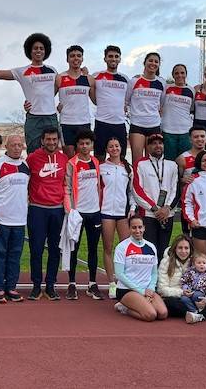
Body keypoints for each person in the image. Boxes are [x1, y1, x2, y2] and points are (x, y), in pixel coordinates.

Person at [0, 34, 59, 153]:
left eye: (41, 48)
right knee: (33, 150)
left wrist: (46, 99)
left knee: (54, 149)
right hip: (34, 117)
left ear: (45, 51)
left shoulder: (52, 70)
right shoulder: (22, 71)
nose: (38, 50)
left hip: (51, 116)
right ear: (30, 51)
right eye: (35, 48)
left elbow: (57, 87)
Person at [0, 135, 30, 303]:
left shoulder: (25, 166)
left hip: (19, 221)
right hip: (1, 220)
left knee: (14, 256)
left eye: (19, 145)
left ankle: (11, 286)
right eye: (13, 145)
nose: (17, 148)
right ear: (6, 146)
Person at [25, 127, 69, 300]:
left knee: (54, 249)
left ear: (58, 140)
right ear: (42, 140)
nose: (51, 142)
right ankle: (36, 286)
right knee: (36, 249)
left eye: (54, 139)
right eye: (48, 139)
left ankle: (51, 285)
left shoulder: (64, 159)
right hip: (37, 209)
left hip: (57, 210)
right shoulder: (32, 158)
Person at [63, 129, 104, 300]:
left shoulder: (95, 162)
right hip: (77, 213)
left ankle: (92, 284)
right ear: (77, 145)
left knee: (93, 249)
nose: (85, 146)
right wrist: (70, 210)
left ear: (92, 145)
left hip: (94, 212)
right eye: (81, 143)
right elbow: (66, 188)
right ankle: (71, 283)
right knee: (74, 248)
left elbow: (100, 186)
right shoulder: (72, 163)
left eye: (87, 143)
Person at [132, 134, 178, 262]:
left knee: (164, 250)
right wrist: (155, 208)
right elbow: (137, 189)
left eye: (160, 143)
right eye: (153, 143)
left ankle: (161, 280)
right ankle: (149, 280)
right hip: (149, 214)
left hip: (167, 214)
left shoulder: (172, 165)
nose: (157, 146)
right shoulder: (140, 164)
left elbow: (175, 189)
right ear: (148, 146)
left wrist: (167, 208)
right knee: (149, 249)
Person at [113, 216, 167, 322]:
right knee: (150, 315)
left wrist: (151, 289)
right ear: (129, 229)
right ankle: (124, 308)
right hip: (127, 290)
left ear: (144, 228)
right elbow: (119, 274)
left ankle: (140, 304)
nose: (137, 230)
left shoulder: (151, 247)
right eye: (134, 227)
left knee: (162, 313)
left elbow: (154, 273)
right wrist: (141, 291)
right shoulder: (122, 247)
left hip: (147, 290)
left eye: (140, 227)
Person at [99, 137, 133, 299]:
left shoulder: (128, 168)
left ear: (121, 148)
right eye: (111, 146)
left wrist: (132, 208)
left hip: (122, 213)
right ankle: (112, 283)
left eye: (117, 146)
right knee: (108, 248)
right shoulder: (101, 167)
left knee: (125, 249)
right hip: (106, 212)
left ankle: (124, 282)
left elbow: (132, 192)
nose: (114, 149)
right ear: (107, 150)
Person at [176, 125, 206, 236]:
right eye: (196, 137)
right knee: (190, 240)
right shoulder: (182, 159)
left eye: (202, 136)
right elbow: (176, 181)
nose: (200, 139)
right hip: (191, 207)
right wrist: (182, 180)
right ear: (190, 139)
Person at [125, 52, 166, 164]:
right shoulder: (134, 81)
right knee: (137, 162)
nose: (153, 63)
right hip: (137, 125)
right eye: (150, 60)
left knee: (153, 161)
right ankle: (136, 182)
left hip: (154, 125)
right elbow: (126, 101)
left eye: (156, 61)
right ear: (145, 63)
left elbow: (161, 103)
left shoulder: (161, 83)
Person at [90, 45, 129, 159]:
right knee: (99, 157)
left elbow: (128, 99)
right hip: (102, 123)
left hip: (119, 123)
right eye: (110, 56)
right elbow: (92, 96)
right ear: (105, 59)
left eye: (116, 56)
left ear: (120, 59)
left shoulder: (125, 78)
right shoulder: (96, 76)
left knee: (121, 158)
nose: (113, 59)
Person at [57, 45, 93, 159]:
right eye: (72, 56)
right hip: (66, 122)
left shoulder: (89, 78)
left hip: (84, 122)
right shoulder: (60, 77)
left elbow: (97, 101)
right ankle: (69, 178)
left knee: (83, 157)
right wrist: (56, 108)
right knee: (68, 159)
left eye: (79, 56)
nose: (75, 58)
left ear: (82, 59)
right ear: (67, 59)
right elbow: (47, 97)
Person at [161, 64, 195, 161]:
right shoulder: (166, 88)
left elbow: (191, 109)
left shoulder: (191, 90)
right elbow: (159, 104)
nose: (179, 75)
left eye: (182, 73)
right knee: (169, 162)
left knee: (185, 162)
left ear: (186, 74)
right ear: (173, 75)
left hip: (185, 131)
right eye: (176, 73)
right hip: (168, 131)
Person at [157, 234, 194, 318]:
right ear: (175, 248)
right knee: (172, 303)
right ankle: (196, 313)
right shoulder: (166, 262)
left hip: (191, 296)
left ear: (191, 249)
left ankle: (195, 313)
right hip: (173, 297)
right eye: (180, 248)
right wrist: (181, 292)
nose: (183, 251)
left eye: (186, 248)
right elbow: (161, 289)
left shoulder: (195, 262)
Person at [179, 253, 206, 324]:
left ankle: (200, 311)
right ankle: (195, 311)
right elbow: (183, 281)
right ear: (194, 264)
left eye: (204, 263)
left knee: (196, 295)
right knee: (184, 298)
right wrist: (186, 288)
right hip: (191, 291)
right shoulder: (190, 272)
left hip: (202, 293)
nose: (201, 264)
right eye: (199, 263)